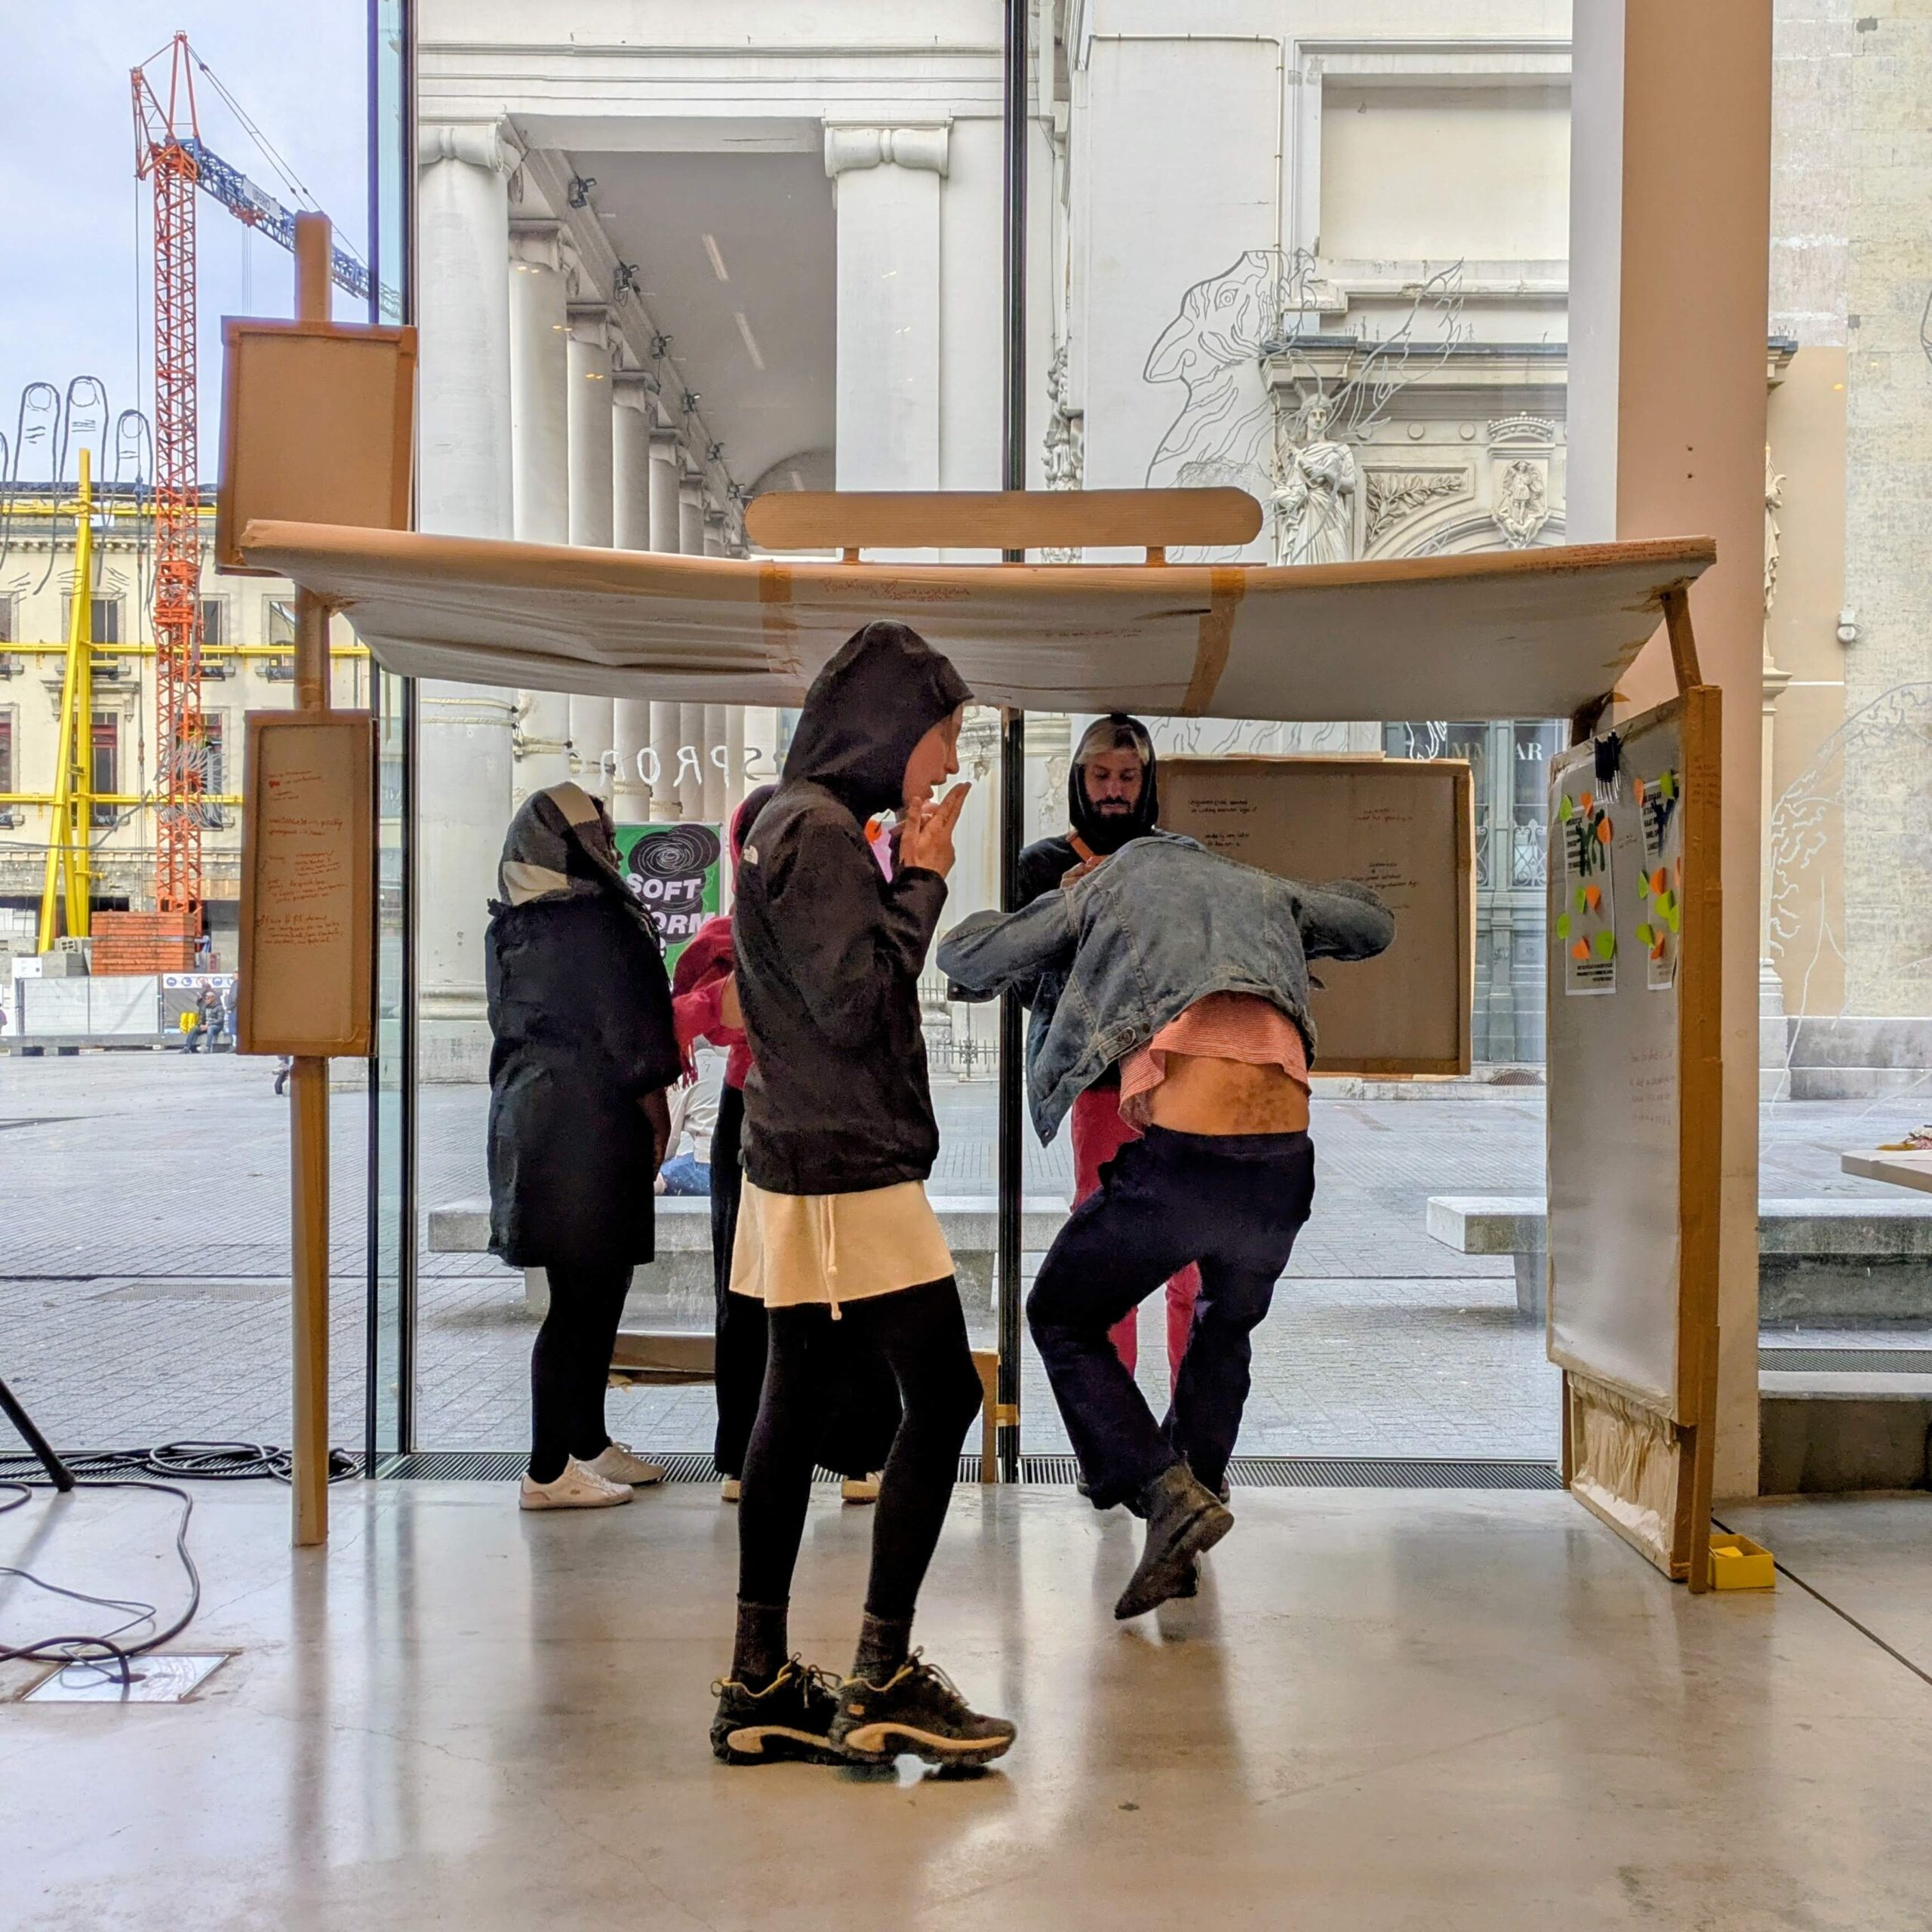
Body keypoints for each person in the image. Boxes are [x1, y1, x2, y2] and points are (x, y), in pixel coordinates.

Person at [940, 836, 1394, 1620]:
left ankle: (1163, 1492)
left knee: (1060, 1314)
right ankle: (1192, 1502)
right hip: (1283, 1166)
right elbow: (1372, 921)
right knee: (1223, 1327)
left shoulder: (1112, 885)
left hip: (1189, 1162)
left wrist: (1064, 898)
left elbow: (967, 954)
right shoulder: (1260, 887)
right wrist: (1282, 899)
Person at [709, 620, 1015, 1770]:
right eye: (944, 734)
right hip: (847, 1163)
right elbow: (860, 1000)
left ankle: (761, 1682)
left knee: (792, 1401)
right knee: (941, 1398)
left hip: (802, 1154)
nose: (948, 762)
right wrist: (926, 875)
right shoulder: (824, 831)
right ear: (891, 727)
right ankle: (880, 1677)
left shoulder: (794, 821)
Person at [672, 785, 900, 1509]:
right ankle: (759, 1455)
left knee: (839, 1281)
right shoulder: (728, 938)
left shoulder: (836, 931)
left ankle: (849, 1452)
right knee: (757, 1286)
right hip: (769, 1111)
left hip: (813, 1112)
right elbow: (710, 1019)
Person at [486, 780, 683, 1511]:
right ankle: (547, 1470)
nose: (612, 846)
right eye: (599, 833)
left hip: (532, 1118)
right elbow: (632, 1027)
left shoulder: (512, 924)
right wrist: (658, 1110)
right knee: (582, 1301)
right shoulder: (598, 920)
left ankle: (586, 1442)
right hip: (591, 1121)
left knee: (587, 1291)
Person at [1011, 713, 1200, 1391]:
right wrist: (1064, 919)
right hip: (1098, 1084)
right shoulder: (1042, 866)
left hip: (1181, 1079)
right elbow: (1023, 986)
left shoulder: (1179, 860)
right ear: (1079, 780)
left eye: (1127, 776)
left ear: (1147, 783)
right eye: (1101, 776)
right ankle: (1113, 1428)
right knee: (1106, 1255)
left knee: (1192, 1255)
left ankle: (1189, 1428)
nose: (1114, 790)